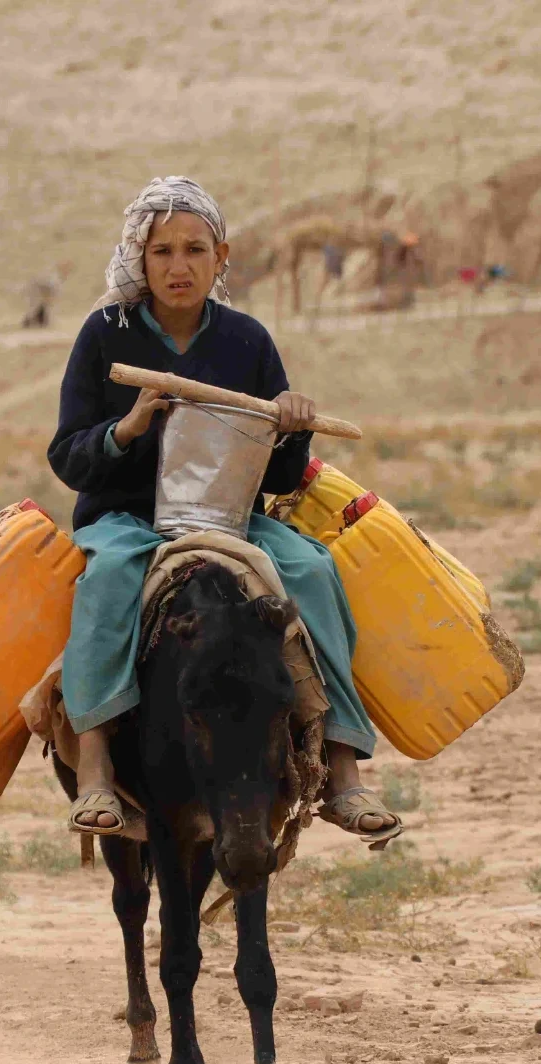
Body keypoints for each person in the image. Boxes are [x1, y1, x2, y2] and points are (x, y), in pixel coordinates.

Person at [48, 176, 401, 845]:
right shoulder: (105, 335)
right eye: (162, 252)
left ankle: (344, 771)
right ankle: (94, 766)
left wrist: (294, 427)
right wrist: (127, 429)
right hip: (129, 518)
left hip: (229, 518)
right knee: (106, 581)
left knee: (312, 568)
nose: (178, 266)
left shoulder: (247, 340)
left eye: (194, 250)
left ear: (221, 257)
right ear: (140, 258)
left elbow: (279, 478)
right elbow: (69, 457)